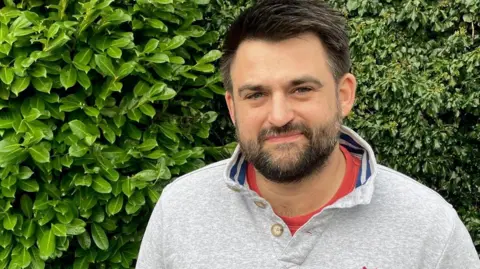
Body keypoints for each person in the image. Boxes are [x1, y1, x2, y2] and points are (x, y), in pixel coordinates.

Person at [136, 0, 480, 268]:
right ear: (232, 106)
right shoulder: (179, 211)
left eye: (301, 89)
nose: (280, 116)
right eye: (255, 94)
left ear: (344, 94)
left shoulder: (430, 228)